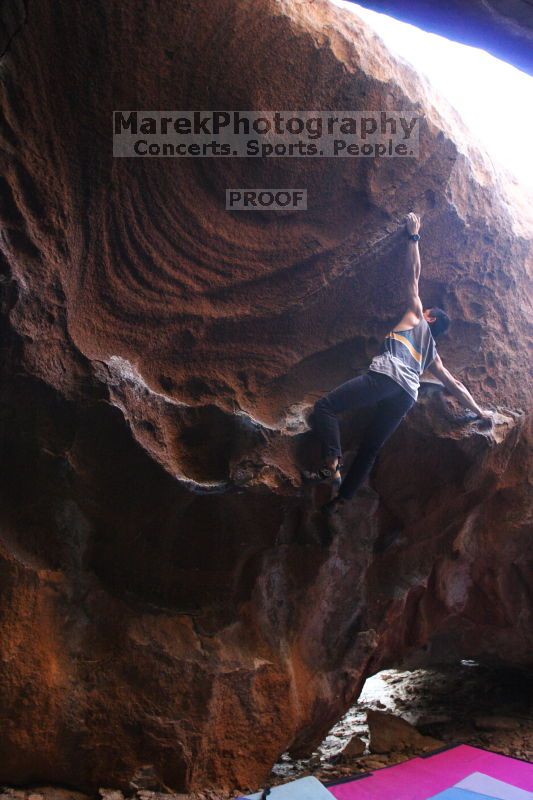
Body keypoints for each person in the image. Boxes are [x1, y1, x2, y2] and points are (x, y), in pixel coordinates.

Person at [303, 213, 493, 514]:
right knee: (371, 447)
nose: (423, 305)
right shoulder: (432, 353)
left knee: (325, 407)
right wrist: (480, 412)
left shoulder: (416, 316)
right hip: (407, 396)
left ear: (429, 316)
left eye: (427, 308)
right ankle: (342, 499)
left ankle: (332, 460)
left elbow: (413, 277)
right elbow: (453, 384)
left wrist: (413, 236)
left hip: (388, 377)